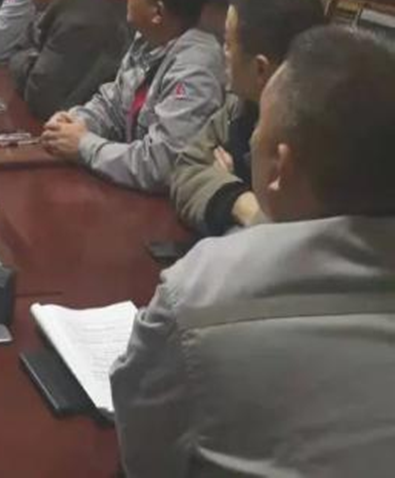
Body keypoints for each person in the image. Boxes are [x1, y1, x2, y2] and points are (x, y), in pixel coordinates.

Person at [112, 26, 395, 476]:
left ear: (279, 167)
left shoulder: (200, 290)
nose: (248, 141)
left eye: (258, 131)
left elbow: (145, 459)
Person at [41, 0, 224, 192]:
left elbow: (160, 166)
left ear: (157, 12)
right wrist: (74, 122)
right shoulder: (148, 40)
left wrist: (83, 145)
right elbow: (113, 104)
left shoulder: (196, 68)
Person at [170, 0, 325, 235]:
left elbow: (290, 242)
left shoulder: (323, 141)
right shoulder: (241, 105)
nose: (223, 52)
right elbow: (186, 167)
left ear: (260, 69)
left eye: (228, 43)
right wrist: (239, 199)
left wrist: (251, 213)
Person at [8, 0, 129, 119]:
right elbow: (18, 50)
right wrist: (33, 63)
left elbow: (40, 98)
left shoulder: (79, 22)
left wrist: (31, 63)